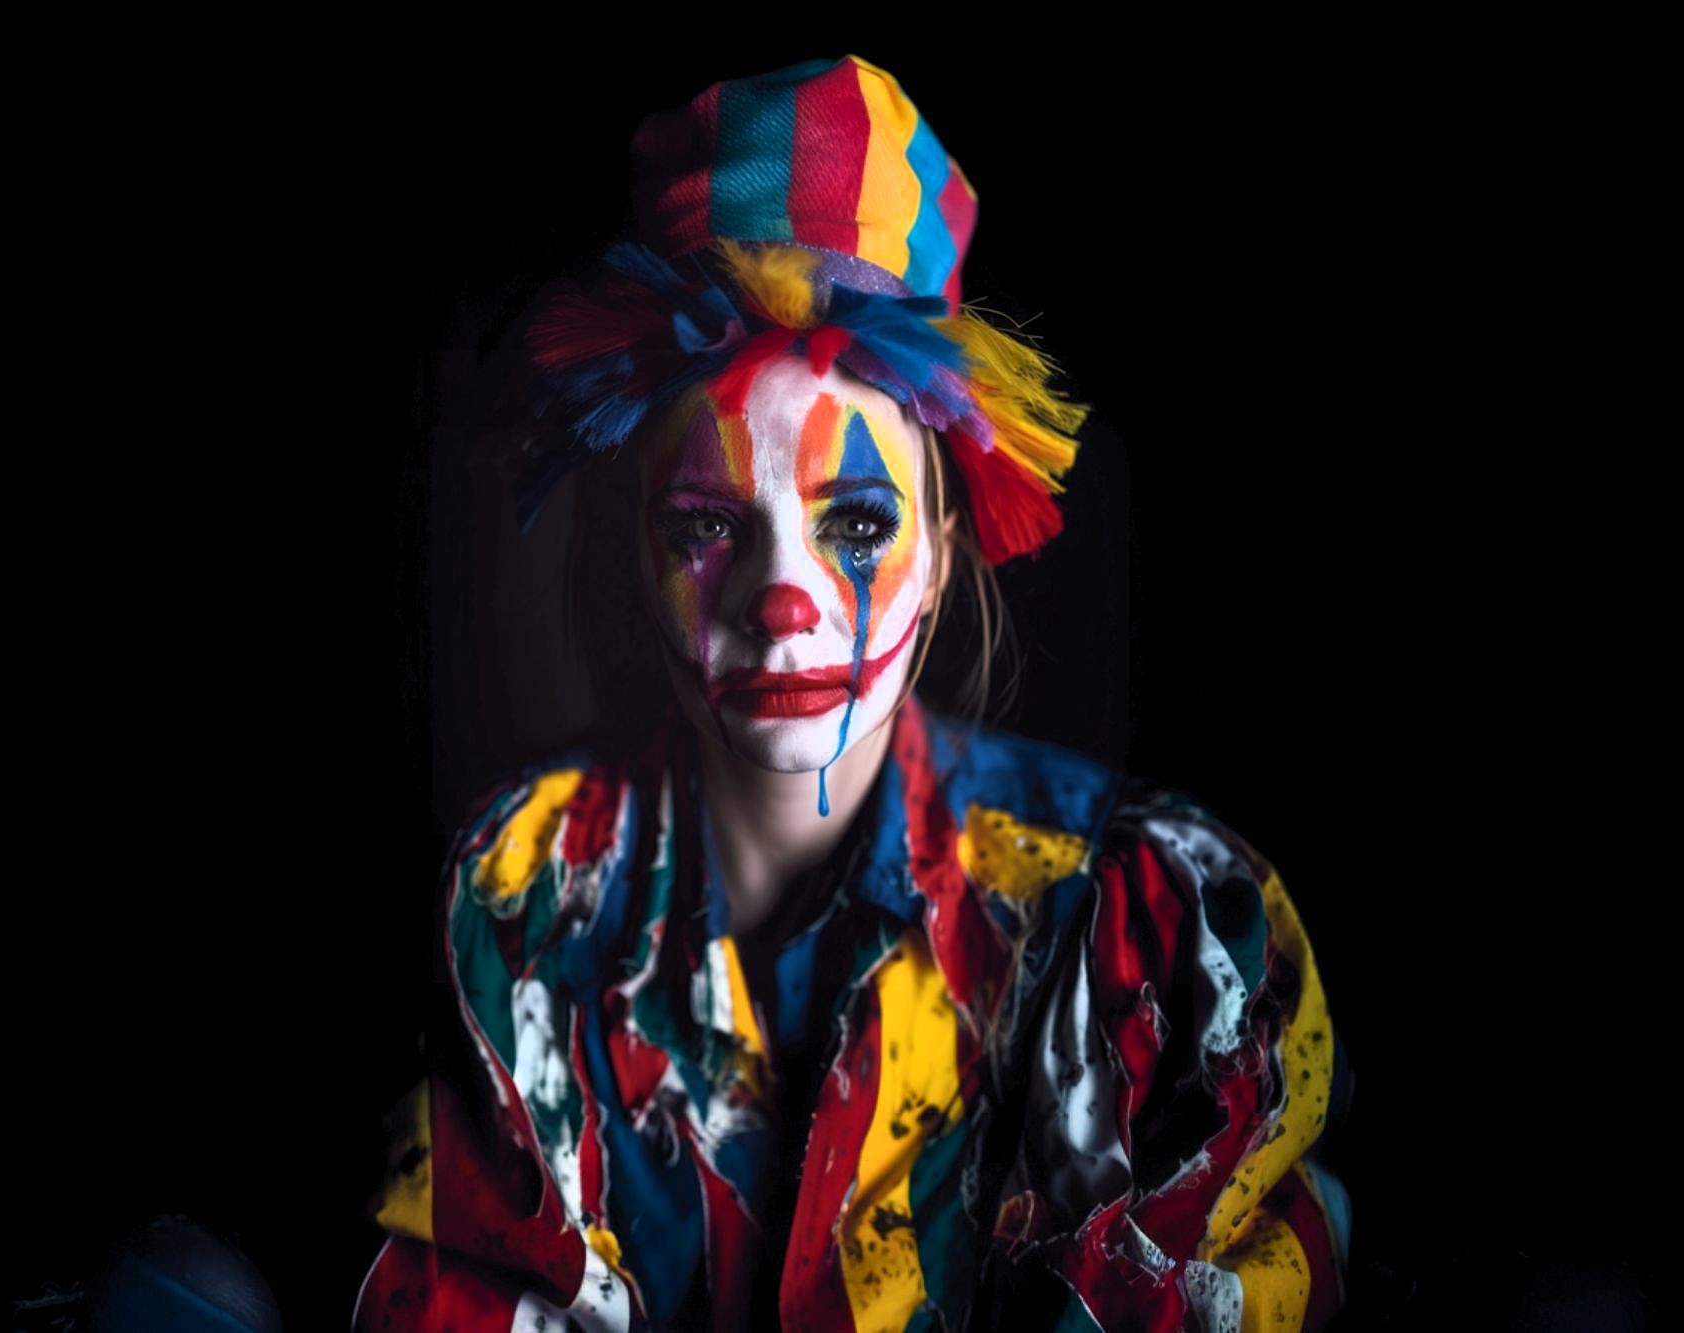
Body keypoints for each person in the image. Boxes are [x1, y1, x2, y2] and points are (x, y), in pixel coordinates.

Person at [353, 54, 1354, 1333]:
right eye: (707, 523)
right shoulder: (520, 904)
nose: (782, 600)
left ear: (943, 542)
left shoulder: (1147, 925)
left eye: (859, 522)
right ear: (632, 556)